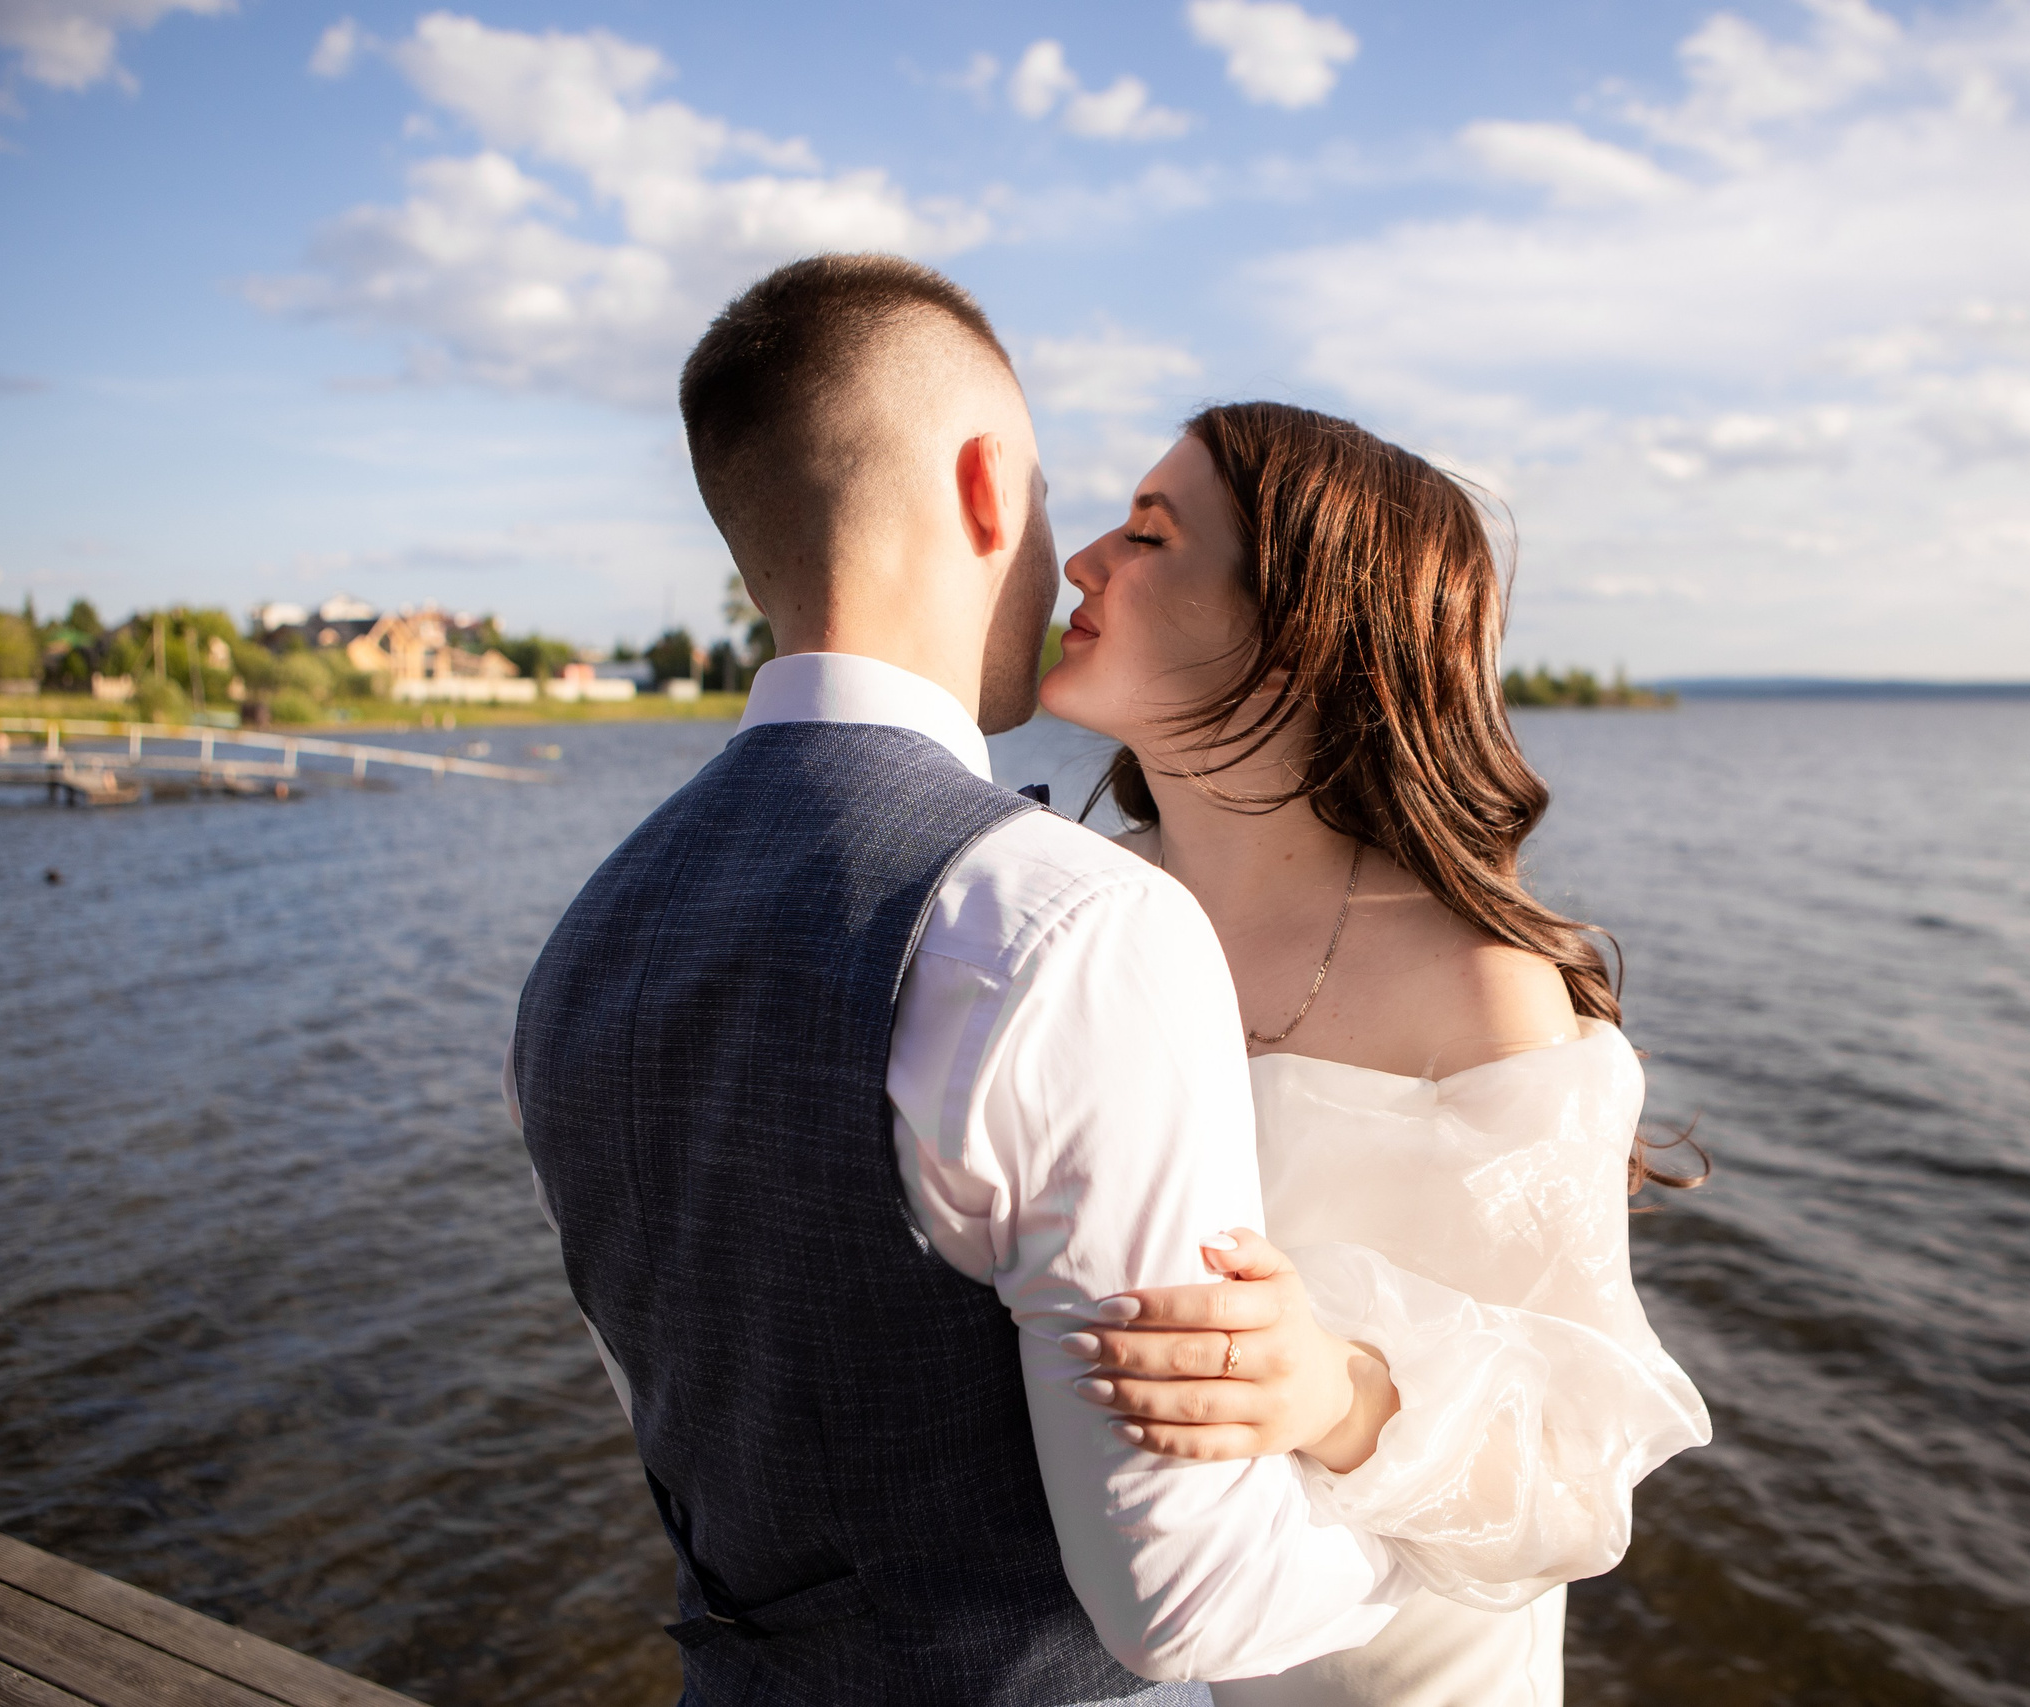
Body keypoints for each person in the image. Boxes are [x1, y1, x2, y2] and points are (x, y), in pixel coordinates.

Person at [507, 259, 1420, 1705]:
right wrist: (1426, 1541)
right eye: (1058, 500)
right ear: (990, 486)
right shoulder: (1074, 926)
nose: (1068, 561)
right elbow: (1188, 1602)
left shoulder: (580, 953)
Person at [1034, 404, 1713, 1706]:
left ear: (1295, 637)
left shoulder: (1479, 989)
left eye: (1148, 533)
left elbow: (1576, 1472)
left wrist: (1332, 1388)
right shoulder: (1081, 917)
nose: (1084, 562)